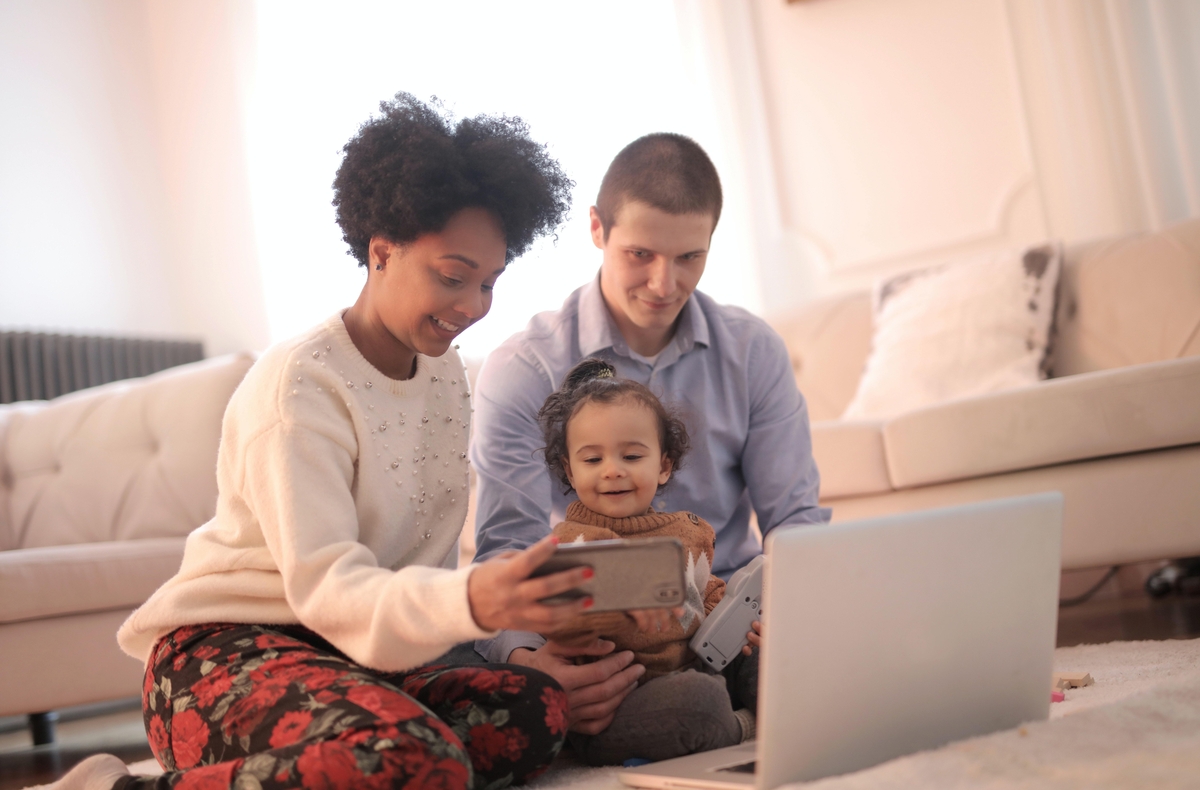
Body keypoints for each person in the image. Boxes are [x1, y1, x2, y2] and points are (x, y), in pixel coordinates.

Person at [47, 94, 581, 790]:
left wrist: (505, 637)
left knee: (534, 710)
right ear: (381, 250)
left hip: (352, 660)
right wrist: (472, 600)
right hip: (223, 658)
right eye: (453, 277)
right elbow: (331, 591)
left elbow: (413, 574)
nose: (474, 306)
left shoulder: (445, 374)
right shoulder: (301, 385)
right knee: (412, 760)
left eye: (489, 281)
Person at [470, 133, 830, 737]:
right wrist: (532, 663)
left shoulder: (753, 351)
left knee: (827, 673)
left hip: (732, 616)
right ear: (596, 230)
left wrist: (794, 606)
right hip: (609, 637)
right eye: (641, 254)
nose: (664, 283)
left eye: (690, 257)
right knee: (681, 711)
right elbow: (507, 548)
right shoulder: (525, 367)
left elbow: (794, 518)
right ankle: (736, 722)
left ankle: (753, 707)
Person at [535, 357, 756, 765]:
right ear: (569, 470)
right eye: (592, 459)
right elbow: (557, 620)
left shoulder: (690, 532)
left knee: (762, 655)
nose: (613, 471)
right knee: (699, 704)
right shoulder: (571, 542)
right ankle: (745, 728)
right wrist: (621, 587)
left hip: (701, 663)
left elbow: (710, 596)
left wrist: (742, 630)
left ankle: (783, 711)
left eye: (632, 457)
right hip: (623, 705)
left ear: (664, 466)